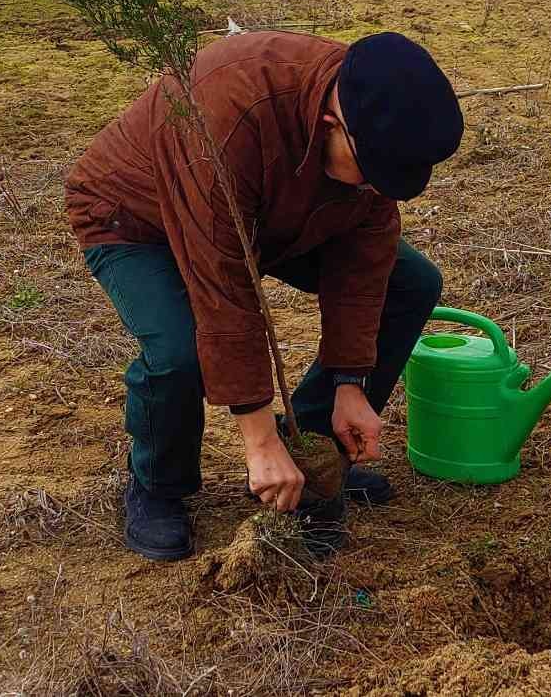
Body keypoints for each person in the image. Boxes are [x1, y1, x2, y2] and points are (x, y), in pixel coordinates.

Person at [65, 31, 463, 561]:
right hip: (140, 218)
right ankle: (158, 485)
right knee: (180, 351)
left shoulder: (370, 116)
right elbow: (223, 287)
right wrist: (257, 438)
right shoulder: (227, 115)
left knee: (409, 283)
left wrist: (350, 380)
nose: (376, 189)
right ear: (332, 123)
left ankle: (311, 454)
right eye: (372, 174)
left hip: (271, 217)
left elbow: (365, 260)